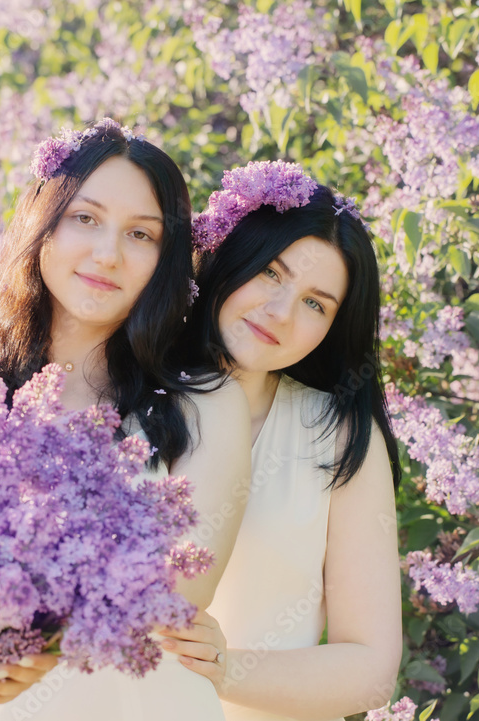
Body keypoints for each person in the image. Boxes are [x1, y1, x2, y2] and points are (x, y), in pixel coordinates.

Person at [0, 119, 251, 721]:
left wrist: (38, 640)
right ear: (42, 228)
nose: (108, 253)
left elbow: (183, 587)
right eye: (84, 219)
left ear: (164, 260)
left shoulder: (203, 403)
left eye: (140, 234)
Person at [158, 161, 403, 720]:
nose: (281, 312)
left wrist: (224, 670)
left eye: (316, 303)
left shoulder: (337, 436)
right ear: (229, 256)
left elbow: (370, 669)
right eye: (271, 272)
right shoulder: (125, 391)